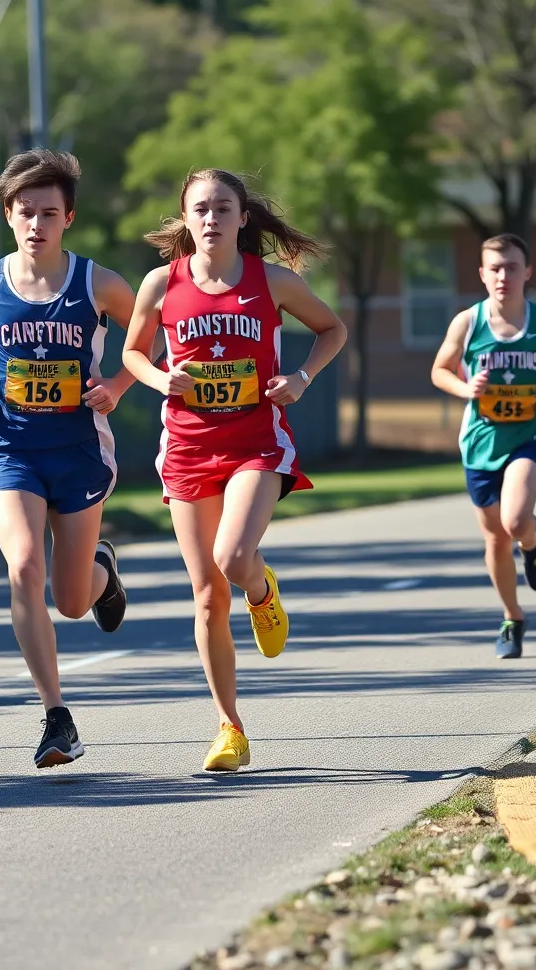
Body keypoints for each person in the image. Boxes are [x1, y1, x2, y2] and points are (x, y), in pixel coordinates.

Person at [122, 168, 346, 773]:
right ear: (185, 218)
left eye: (224, 208)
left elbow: (332, 329)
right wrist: (157, 377)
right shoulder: (159, 284)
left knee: (233, 560)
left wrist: (301, 377)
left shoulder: (270, 281)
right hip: (188, 446)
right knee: (204, 598)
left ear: (243, 218)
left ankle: (262, 589)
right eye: (201, 208)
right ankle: (230, 728)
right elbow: (133, 352)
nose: (212, 218)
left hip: (255, 440)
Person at [0, 149, 132, 768]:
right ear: (8, 215)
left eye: (49, 213)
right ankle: (56, 717)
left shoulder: (97, 283)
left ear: (68, 218)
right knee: (23, 568)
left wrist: (121, 386)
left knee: (71, 600)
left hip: (79, 449)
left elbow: (153, 332)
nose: (36, 224)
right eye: (26, 213)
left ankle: (101, 573)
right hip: (11, 446)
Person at [431, 233, 536, 660]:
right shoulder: (468, 323)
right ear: (482, 274)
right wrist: (466, 389)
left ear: (527, 272)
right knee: (496, 537)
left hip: (533, 431)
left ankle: (532, 540)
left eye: (512, 267)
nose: (504, 276)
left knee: (515, 520)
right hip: (482, 438)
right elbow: (439, 370)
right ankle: (512, 617)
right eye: (495, 268)